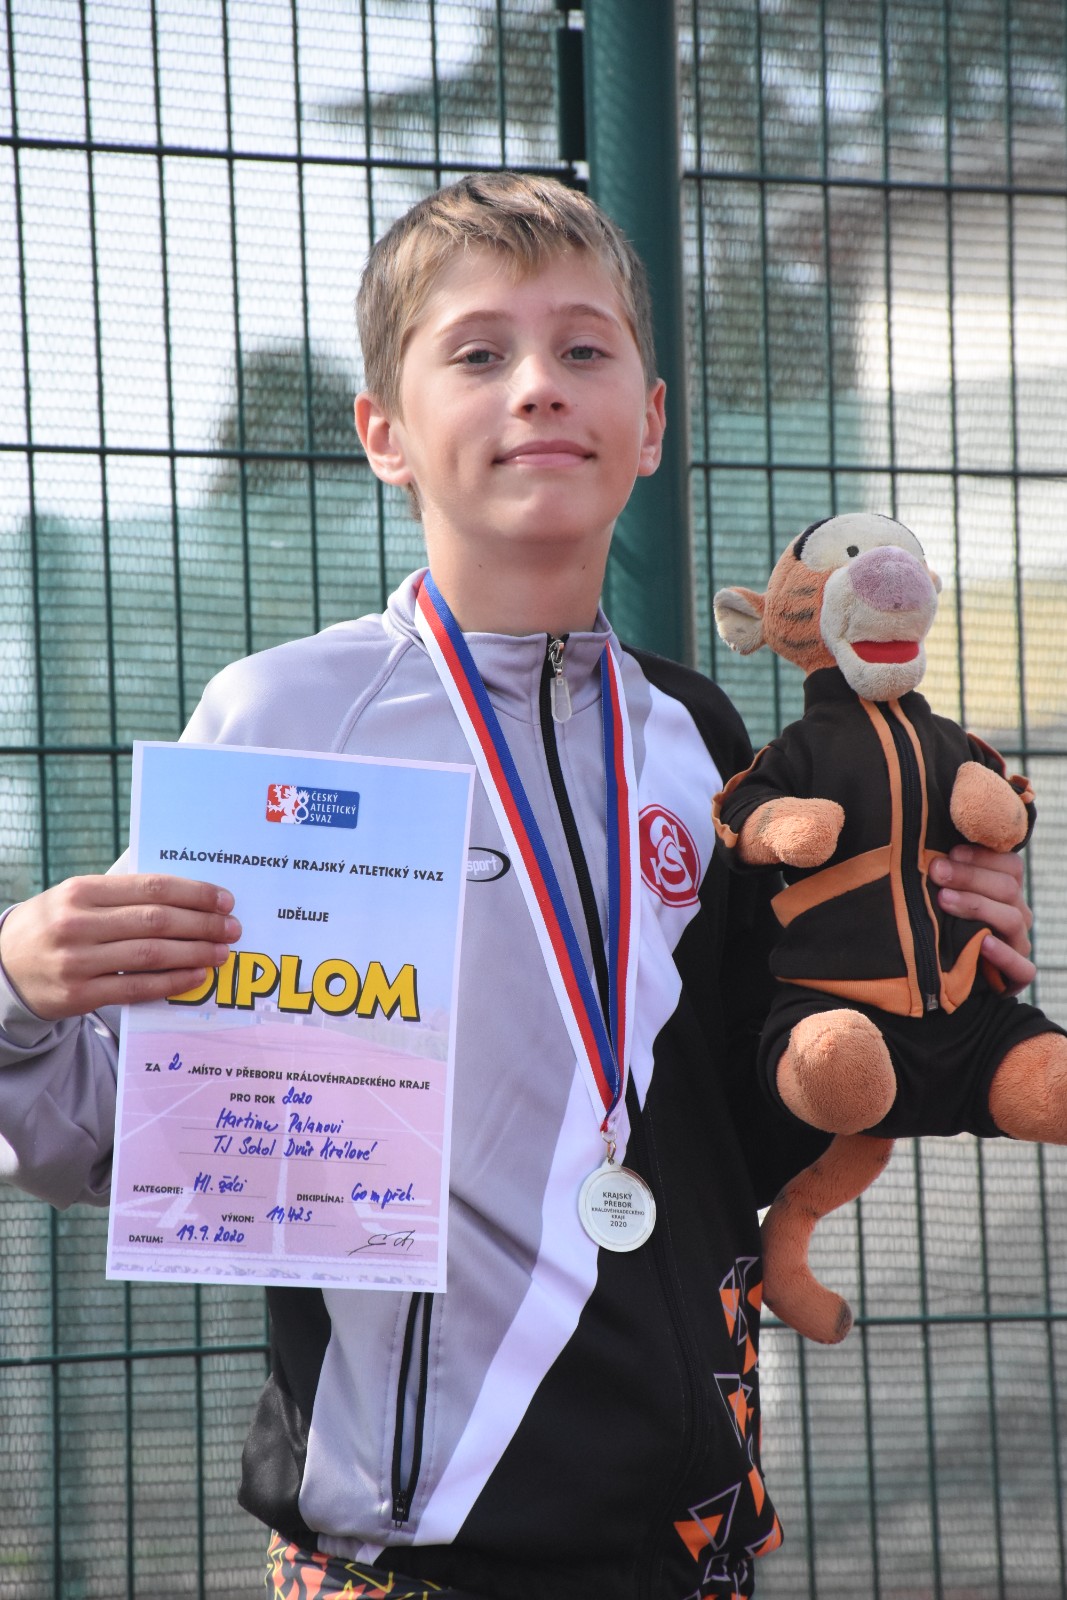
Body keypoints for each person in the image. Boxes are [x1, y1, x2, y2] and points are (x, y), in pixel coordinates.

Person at [0, 174, 1034, 1600]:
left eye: (583, 348)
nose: (539, 384)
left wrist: (929, 966)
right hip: (405, 1558)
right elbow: (114, 1128)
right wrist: (18, 990)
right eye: (480, 352)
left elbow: (760, 1101)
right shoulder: (283, 721)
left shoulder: (701, 741)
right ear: (385, 432)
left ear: (652, 423)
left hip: (693, 1541)